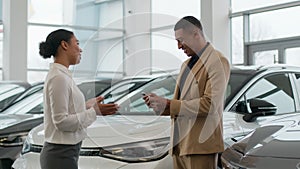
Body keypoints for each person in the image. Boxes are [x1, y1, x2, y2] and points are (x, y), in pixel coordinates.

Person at [143, 16, 230, 169]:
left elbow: (210, 105)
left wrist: (170, 104)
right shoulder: (185, 65)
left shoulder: (217, 61)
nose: (178, 46)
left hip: (201, 147)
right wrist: (161, 105)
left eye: (181, 40)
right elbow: (183, 102)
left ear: (196, 34)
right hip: (180, 145)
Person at [39, 29, 119, 169]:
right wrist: (94, 112)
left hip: (66, 152)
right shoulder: (59, 77)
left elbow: (67, 110)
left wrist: (87, 105)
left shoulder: (62, 75)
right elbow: (61, 121)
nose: (80, 49)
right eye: (76, 43)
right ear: (64, 45)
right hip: (61, 154)